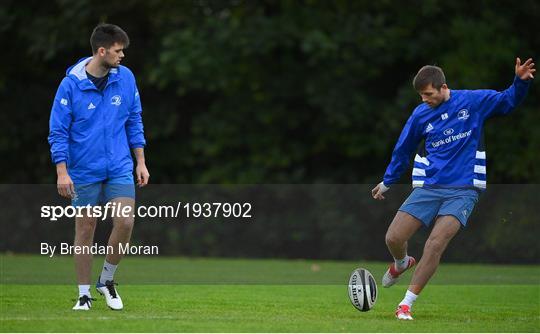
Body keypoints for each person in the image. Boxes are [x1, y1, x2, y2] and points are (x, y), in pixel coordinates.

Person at [371, 58, 535, 320]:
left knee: (435, 243)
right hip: (430, 186)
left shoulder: (471, 102)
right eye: (421, 95)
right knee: (393, 237)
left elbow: (507, 101)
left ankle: (406, 304)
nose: (424, 99)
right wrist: (388, 181)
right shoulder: (420, 114)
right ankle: (402, 263)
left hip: (464, 189)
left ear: (443, 87)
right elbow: (403, 149)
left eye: (428, 94)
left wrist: (520, 82)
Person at [48, 23, 149, 311]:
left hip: (119, 165)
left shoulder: (126, 78)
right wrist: (62, 171)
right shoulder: (70, 85)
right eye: (118, 51)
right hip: (83, 170)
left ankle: (106, 280)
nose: (122, 56)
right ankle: (83, 295)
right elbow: (58, 131)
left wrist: (140, 161)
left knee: (126, 221)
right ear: (102, 51)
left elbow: (134, 119)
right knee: (85, 229)